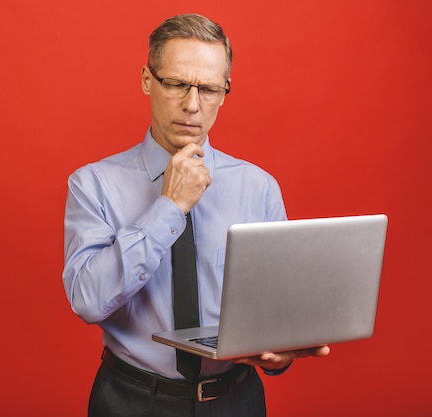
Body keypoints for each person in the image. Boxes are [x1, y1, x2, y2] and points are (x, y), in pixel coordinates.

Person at [62, 14, 330, 417]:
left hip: (236, 400)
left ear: (225, 91)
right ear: (147, 80)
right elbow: (87, 301)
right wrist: (169, 206)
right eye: (175, 84)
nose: (191, 104)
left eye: (207, 88)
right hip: (132, 401)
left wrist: (281, 353)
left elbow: (276, 310)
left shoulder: (258, 187)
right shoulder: (93, 184)